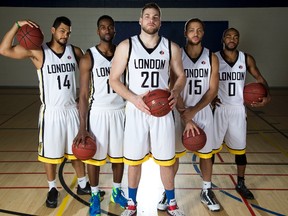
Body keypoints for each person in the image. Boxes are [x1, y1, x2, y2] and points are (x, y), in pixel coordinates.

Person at [0, 16, 94, 208]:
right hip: (51, 113)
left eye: (68, 32)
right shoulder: (38, 52)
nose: (65, 35)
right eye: (62, 31)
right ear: (52, 30)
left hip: (71, 111)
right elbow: (4, 49)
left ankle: (83, 184)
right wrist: (17, 25)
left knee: (76, 150)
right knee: (49, 155)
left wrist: (86, 94)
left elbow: (90, 71)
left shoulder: (74, 51)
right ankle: (52, 188)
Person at [109, 3, 186, 216]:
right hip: (137, 111)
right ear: (140, 20)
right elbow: (114, 80)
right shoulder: (126, 46)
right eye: (147, 16)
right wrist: (134, 98)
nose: (151, 20)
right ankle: (132, 204)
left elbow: (181, 76)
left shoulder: (171, 47)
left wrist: (176, 91)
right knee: (134, 161)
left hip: (162, 112)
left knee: (166, 161)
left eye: (155, 17)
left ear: (159, 22)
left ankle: (171, 203)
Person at [73, 15, 127, 216]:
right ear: (98, 31)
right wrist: (82, 126)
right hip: (98, 113)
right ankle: (95, 195)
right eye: (103, 27)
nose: (106, 30)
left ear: (114, 30)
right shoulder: (89, 57)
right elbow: (84, 94)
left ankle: (116, 191)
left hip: (120, 111)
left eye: (110, 27)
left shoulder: (123, 54)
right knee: (94, 159)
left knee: (119, 158)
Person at [213, 27, 271, 200]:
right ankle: (206, 185)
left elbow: (260, 79)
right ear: (223, 39)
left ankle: (240, 183)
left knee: (240, 150)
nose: (232, 39)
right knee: (210, 150)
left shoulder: (246, 58)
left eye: (235, 37)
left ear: (238, 40)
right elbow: (204, 80)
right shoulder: (214, 57)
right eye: (229, 36)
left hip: (238, 109)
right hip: (219, 109)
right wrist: (208, 98)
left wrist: (267, 96)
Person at [174, 18, 221, 212]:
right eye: (191, 30)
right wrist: (185, 114)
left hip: (202, 113)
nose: (195, 33)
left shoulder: (211, 57)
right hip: (179, 111)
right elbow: (172, 86)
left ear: (203, 33)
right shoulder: (177, 56)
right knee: (172, 156)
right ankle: (168, 191)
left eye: (199, 30)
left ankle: (206, 190)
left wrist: (193, 112)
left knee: (206, 155)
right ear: (185, 33)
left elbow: (213, 90)